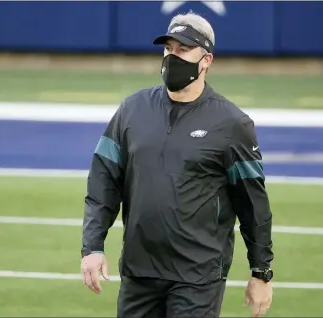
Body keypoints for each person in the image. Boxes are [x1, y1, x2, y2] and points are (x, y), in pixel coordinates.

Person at [81, 10, 274, 318]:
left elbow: (253, 203)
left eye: (183, 50)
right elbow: (104, 182)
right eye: (169, 49)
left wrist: (261, 271)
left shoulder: (232, 123)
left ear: (206, 60)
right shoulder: (132, 110)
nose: (173, 57)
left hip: (197, 278)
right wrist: (92, 246)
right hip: (139, 271)